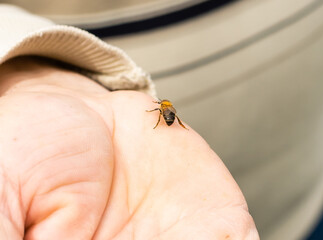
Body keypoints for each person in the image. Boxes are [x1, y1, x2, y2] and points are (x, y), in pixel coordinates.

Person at [0, 6, 259, 240]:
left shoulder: (163, 109)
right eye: (164, 110)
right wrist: (30, 71)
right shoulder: (162, 110)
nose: (164, 110)